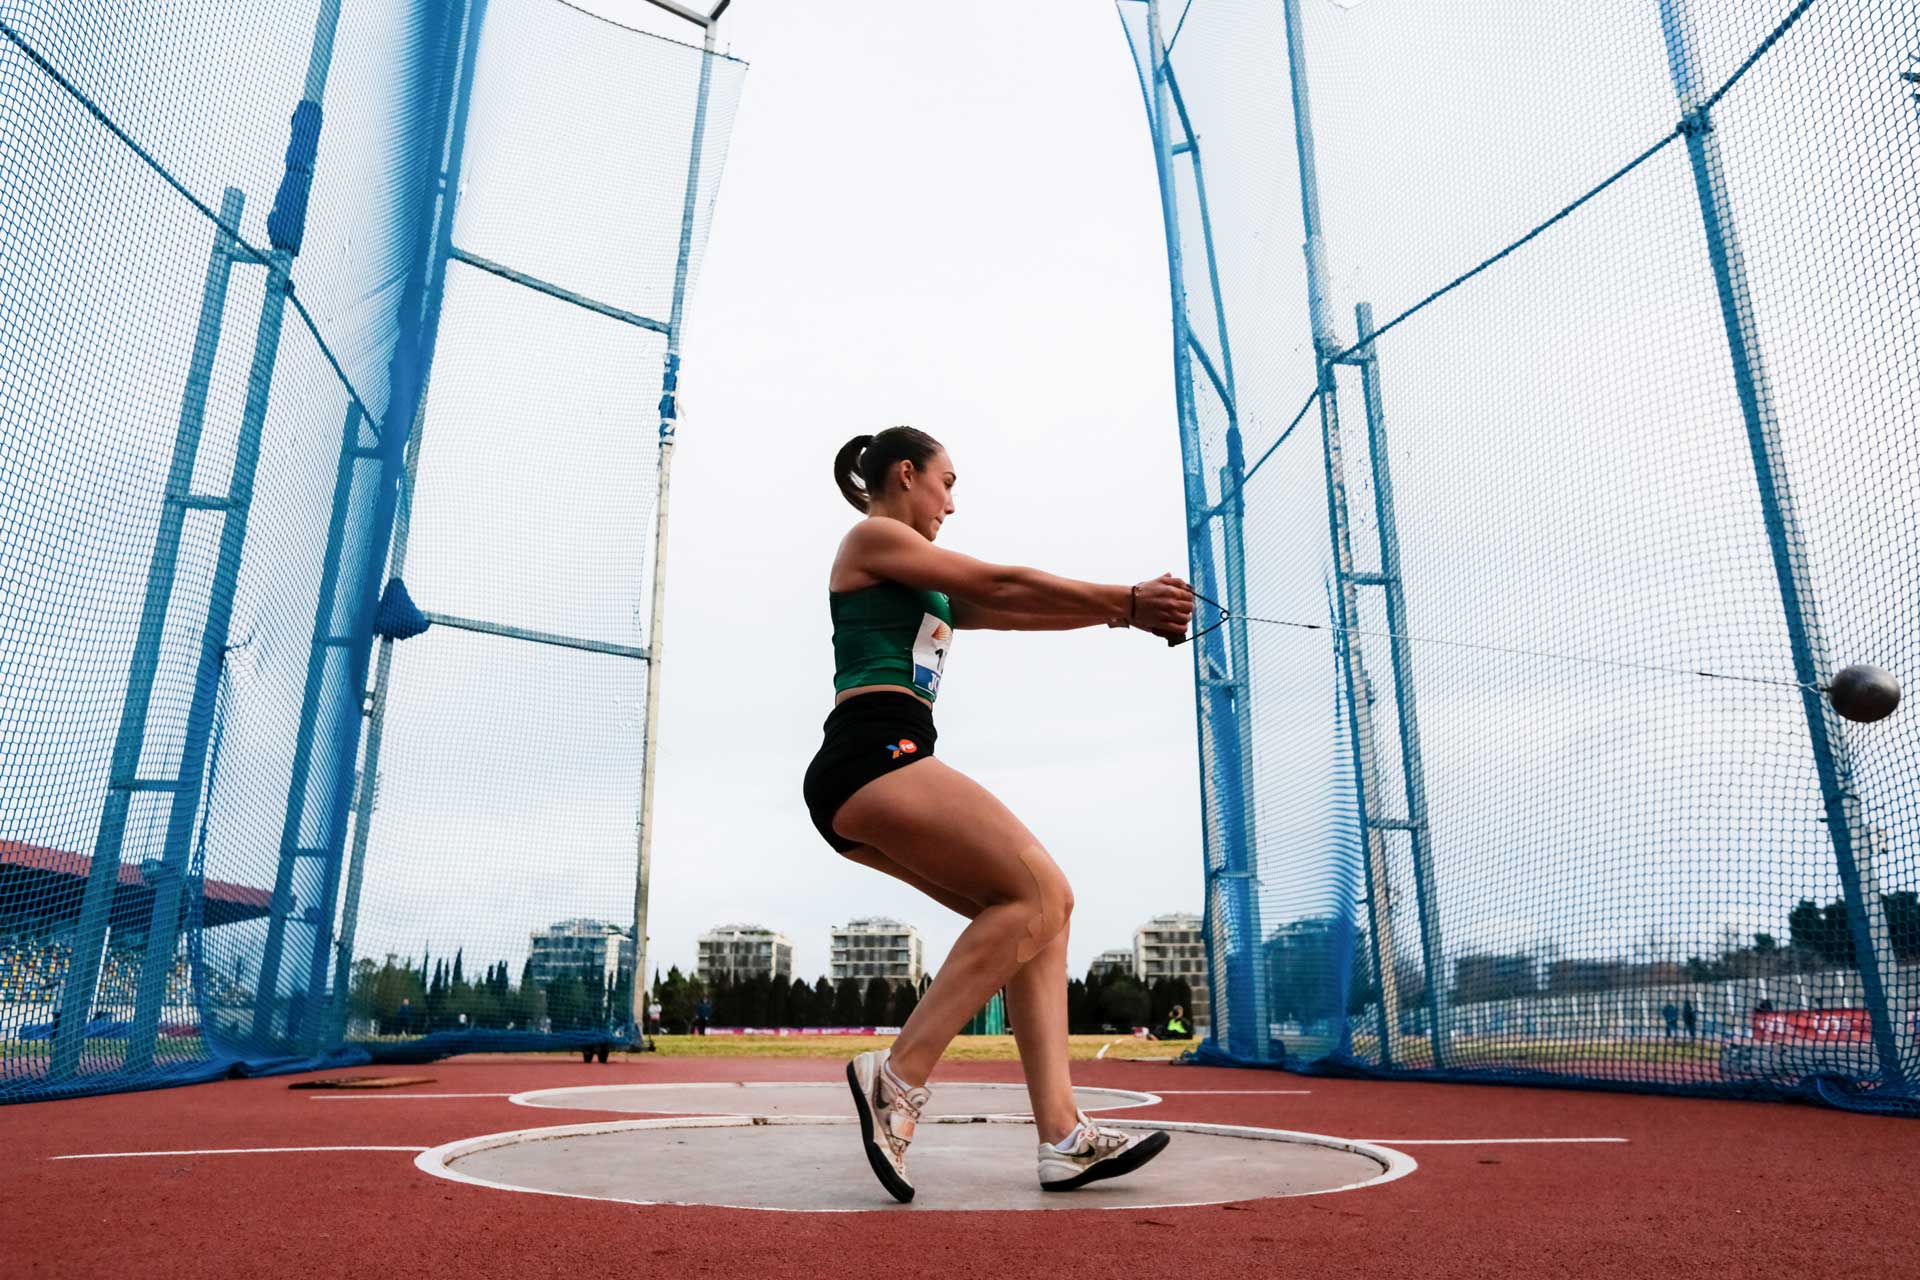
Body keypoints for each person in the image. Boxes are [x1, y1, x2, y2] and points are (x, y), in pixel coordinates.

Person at [804, 427, 1191, 1203]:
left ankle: (1064, 1137)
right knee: (1039, 894)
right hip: (875, 754)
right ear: (906, 474)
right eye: (947, 481)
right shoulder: (873, 536)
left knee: (1041, 917)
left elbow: (1010, 607)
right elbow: (1003, 576)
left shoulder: (918, 582)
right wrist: (1127, 599)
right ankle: (897, 1076)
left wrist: (1120, 617)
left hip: (875, 766)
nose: (952, 500)